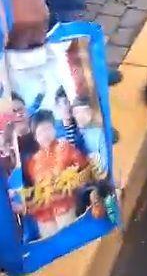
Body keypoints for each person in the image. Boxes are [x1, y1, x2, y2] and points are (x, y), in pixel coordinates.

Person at [25, 110, 91, 238]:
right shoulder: (33, 162)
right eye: (41, 131)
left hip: (67, 204)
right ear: (35, 137)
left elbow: (85, 169)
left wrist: (74, 184)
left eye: (48, 129)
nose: (45, 134)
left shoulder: (65, 147)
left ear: (54, 129)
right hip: (44, 214)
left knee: (69, 238)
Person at [72, 95, 108, 177]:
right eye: (78, 112)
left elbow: (105, 161)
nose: (82, 115)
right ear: (73, 114)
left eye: (85, 111)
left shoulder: (99, 133)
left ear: (91, 113)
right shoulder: (70, 135)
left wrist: (97, 161)